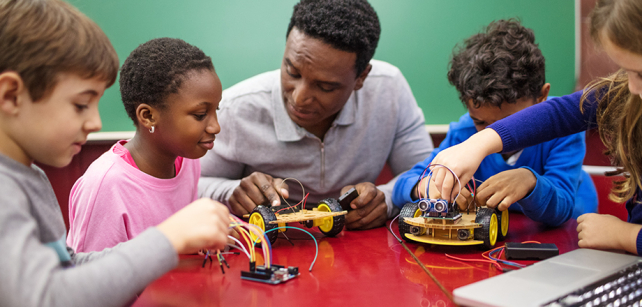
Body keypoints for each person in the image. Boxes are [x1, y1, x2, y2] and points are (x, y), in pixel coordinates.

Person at [0, 1, 230, 306]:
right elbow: (48, 297)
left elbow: (68, 268)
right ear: (11, 95)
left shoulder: (30, 177)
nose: (96, 122)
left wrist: (174, 240)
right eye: (81, 105)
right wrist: (165, 239)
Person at [428, 0, 642, 257]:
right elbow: (561, 113)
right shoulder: (632, 94)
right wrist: (478, 144)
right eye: (626, 72)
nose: (633, 88)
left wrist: (626, 236)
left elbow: (562, 207)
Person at [198, 0, 433, 230]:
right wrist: (231, 193)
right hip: (271, 250)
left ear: (361, 78)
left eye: (325, 87)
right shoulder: (236, 108)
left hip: (358, 251)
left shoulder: (389, 90)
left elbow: (425, 176)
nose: (299, 98)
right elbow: (189, 186)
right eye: (292, 71)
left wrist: (387, 199)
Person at [392, 20, 597, 227]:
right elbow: (403, 183)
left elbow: (562, 208)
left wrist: (530, 182)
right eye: (480, 122)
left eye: (512, 124)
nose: (492, 132)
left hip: (569, 235)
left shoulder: (564, 128)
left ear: (541, 96)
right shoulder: (465, 132)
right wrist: (423, 186)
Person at [67, 38, 223, 252]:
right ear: (148, 116)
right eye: (200, 115)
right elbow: (88, 278)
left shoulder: (187, 161)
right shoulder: (106, 185)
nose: (215, 127)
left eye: (217, 110)